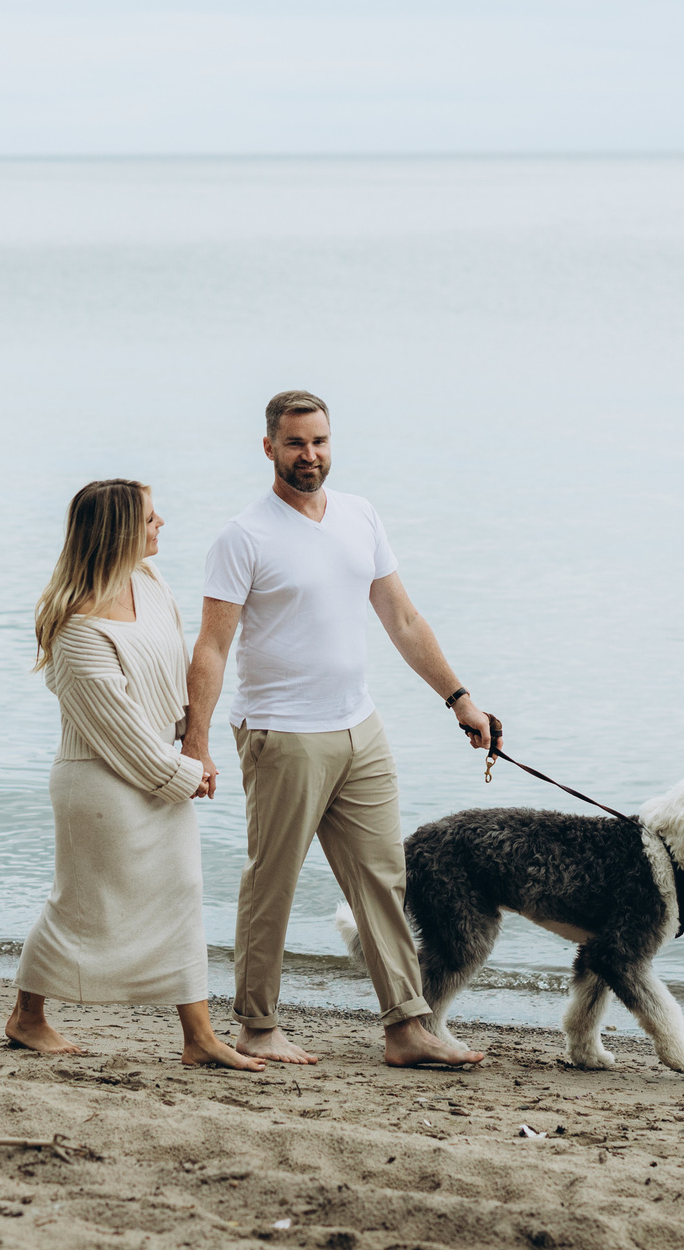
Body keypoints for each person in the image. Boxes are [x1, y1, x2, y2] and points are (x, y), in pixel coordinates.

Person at [189, 391, 497, 1068]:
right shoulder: (244, 536)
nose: (311, 455)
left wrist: (459, 698)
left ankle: (407, 1027)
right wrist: (197, 742)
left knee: (382, 878)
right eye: (296, 443)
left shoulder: (360, 516)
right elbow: (211, 646)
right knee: (273, 880)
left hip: (360, 728)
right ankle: (256, 1024)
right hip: (282, 734)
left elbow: (403, 619)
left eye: (321, 441)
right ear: (268, 447)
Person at [7, 478, 265, 1072]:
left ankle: (198, 1037)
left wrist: (194, 743)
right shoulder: (75, 627)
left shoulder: (147, 584)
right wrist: (185, 775)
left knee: (183, 894)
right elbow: (118, 731)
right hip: (100, 785)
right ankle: (27, 1016)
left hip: (159, 770)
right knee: (82, 904)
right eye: (151, 517)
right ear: (120, 529)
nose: (162, 524)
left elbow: (172, 676)